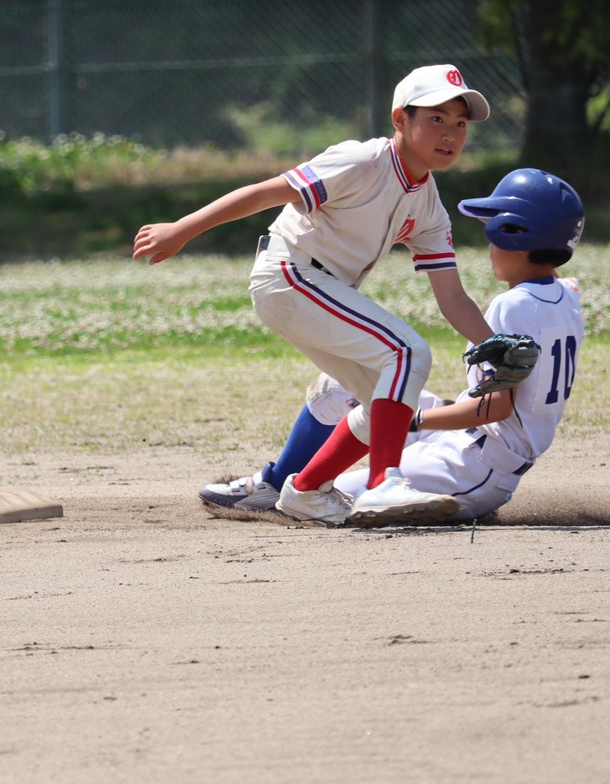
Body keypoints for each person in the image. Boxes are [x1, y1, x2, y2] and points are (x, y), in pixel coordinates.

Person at [134, 64, 509, 525]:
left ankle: (306, 491)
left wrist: (494, 345)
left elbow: (452, 296)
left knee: (391, 403)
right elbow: (266, 193)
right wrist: (182, 229)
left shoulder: (428, 204)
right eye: (436, 118)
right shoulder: (362, 161)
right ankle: (383, 483)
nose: (450, 133)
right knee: (408, 352)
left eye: (461, 123)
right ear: (400, 119)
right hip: (289, 274)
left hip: (316, 288)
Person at [201, 168, 587, 526]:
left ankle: (301, 491)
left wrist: (407, 419)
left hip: (473, 465)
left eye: (494, 227)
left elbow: (496, 408)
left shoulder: (513, 305)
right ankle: (274, 483)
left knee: (344, 493)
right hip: (467, 443)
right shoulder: (567, 295)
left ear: (514, 233)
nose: (489, 243)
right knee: (339, 387)